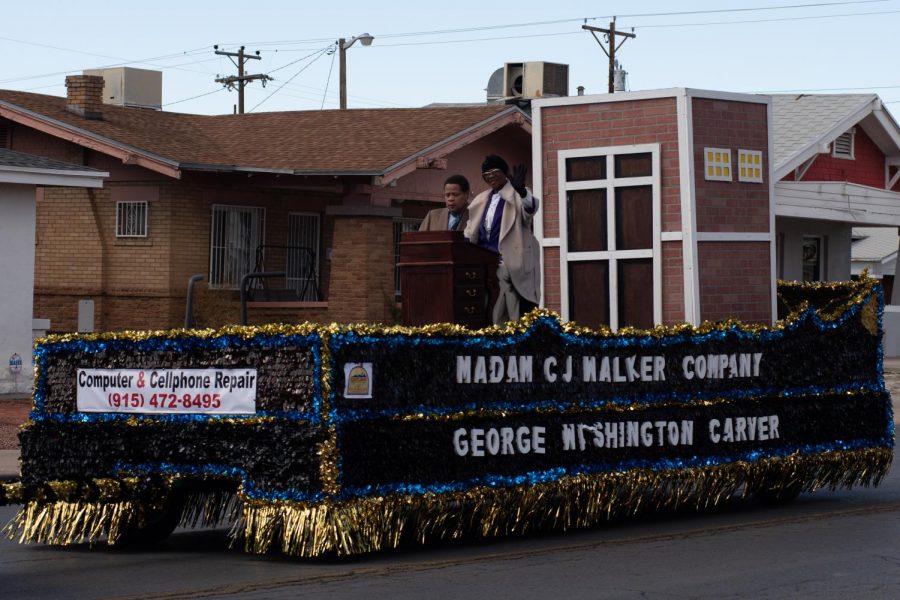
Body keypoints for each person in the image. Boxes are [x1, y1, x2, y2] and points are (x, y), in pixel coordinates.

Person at [464, 154, 540, 325]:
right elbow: (470, 232)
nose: (490, 177)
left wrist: (521, 191)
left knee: (514, 316)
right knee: (489, 312)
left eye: (495, 172)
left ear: (505, 173)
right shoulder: (481, 199)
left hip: (511, 264)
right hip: (485, 266)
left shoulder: (517, 193)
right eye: (486, 174)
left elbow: (530, 210)